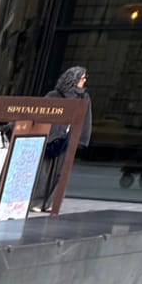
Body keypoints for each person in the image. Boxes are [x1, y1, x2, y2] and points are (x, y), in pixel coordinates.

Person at [37, 65, 91, 212]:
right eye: (83, 78)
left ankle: (51, 203)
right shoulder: (54, 95)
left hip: (68, 138)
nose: (85, 81)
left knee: (61, 172)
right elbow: (40, 112)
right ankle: (37, 202)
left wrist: (82, 139)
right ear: (73, 79)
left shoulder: (83, 97)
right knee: (43, 171)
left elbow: (86, 119)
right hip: (50, 137)